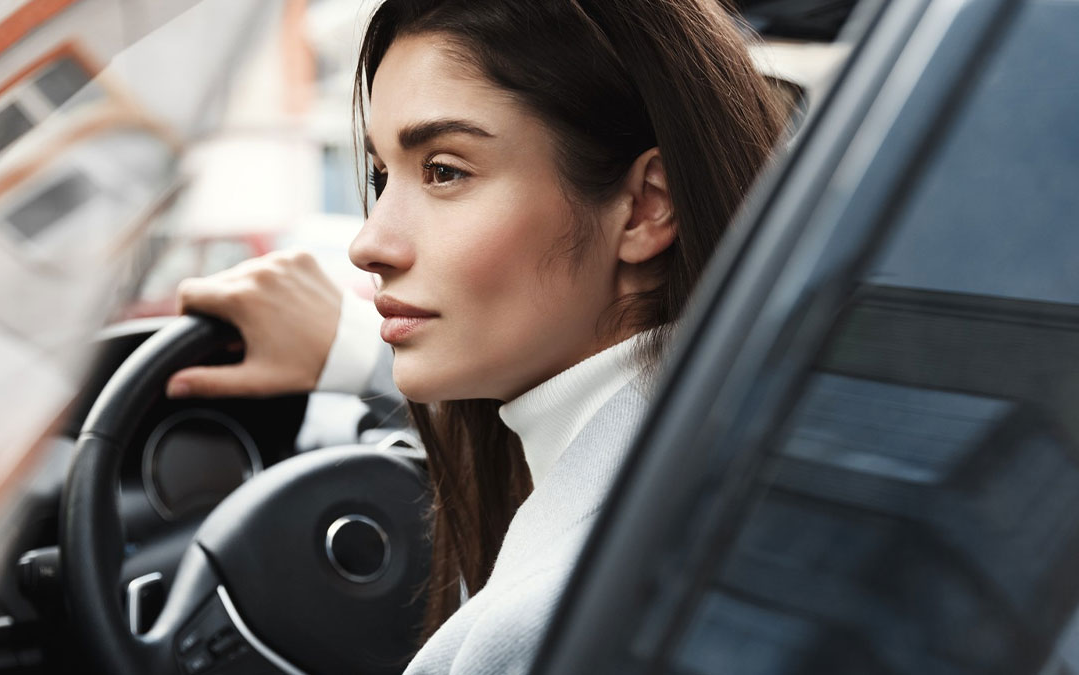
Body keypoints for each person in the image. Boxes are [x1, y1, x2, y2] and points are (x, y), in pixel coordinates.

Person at [168, 0, 785, 672]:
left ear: (645, 208)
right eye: (380, 176)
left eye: (444, 171)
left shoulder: (536, 624)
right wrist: (354, 348)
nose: (368, 243)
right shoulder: (755, 457)